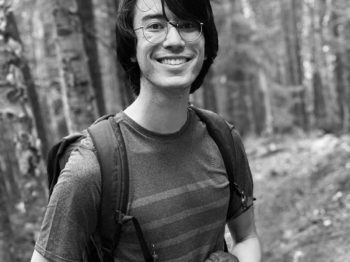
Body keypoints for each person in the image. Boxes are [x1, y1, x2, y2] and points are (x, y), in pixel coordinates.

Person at [31, 0, 262, 261]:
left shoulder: (223, 139)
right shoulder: (92, 166)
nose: (174, 40)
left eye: (187, 25)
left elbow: (246, 237)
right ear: (132, 48)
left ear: (206, 44)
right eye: (154, 26)